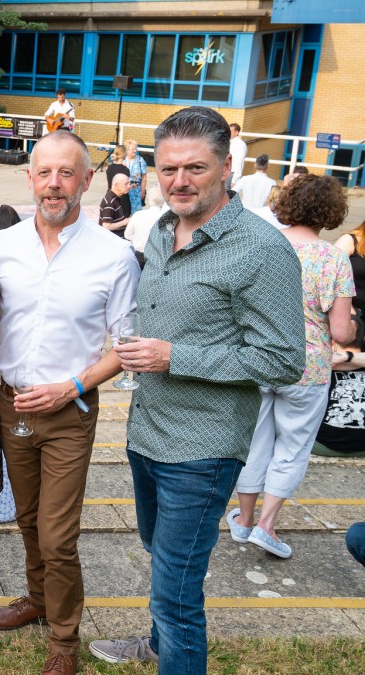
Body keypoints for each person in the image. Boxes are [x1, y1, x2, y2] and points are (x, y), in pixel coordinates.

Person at [91, 106, 305, 673]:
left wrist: (174, 356)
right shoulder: (160, 231)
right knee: (163, 561)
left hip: (204, 447)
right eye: (167, 169)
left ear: (226, 167)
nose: (179, 180)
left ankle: (172, 645)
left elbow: (285, 360)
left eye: (195, 168)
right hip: (147, 434)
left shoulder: (262, 249)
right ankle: (160, 645)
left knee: (177, 591)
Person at [0, 131, 140, 675]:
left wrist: (71, 386)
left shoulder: (116, 256)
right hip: (11, 406)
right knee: (27, 518)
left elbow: (126, 347)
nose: (54, 184)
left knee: (57, 533)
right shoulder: (0, 248)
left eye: (66, 173)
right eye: (44, 173)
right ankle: (36, 598)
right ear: (29, 179)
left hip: (70, 411)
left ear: (87, 180)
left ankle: (65, 640)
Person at [229, 174, 356, 559]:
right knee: (293, 448)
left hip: (259, 359)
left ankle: (244, 520)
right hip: (308, 368)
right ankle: (267, 525)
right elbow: (341, 331)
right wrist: (352, 326)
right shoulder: (333, 257)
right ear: (331, 212)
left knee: (255, 445)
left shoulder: (263, 244)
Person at [124, 186, 166, 266]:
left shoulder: (138, 215)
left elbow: (127, 235)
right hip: (156, 257)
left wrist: (138, 239)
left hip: (138, 255)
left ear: (149, 199)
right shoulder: (165, 218)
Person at [99, 173, 132, 239]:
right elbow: (106, 226)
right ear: (117, 185)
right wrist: (125, 222)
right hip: (112, 240)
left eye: (129, 183)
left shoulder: (115, 197)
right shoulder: (110, 202)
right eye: (126, 184)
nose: (129, 186)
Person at [124, 140, 148, 214]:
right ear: (127, 150)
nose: (135, 151)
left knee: (136, 214)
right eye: (133, 149)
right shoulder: (122, 160)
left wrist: (142, 191)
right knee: (124, 213)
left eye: (136, 148)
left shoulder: (140, 160)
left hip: (136, 192)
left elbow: (144, 177)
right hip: (124, 191)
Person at [228, 123, 248, 188]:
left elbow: (240, 162)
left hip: (232, 174)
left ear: (236, 133)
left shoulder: (240, 145)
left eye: (230, 131)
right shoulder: (228, 142)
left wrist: (235, 181)